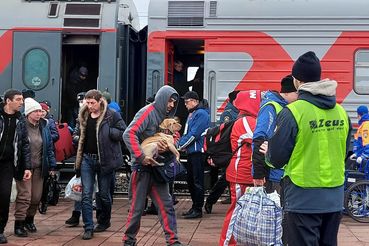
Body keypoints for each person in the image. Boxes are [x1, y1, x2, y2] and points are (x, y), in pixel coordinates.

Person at [265, 51, 352, 246]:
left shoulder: (293, 112)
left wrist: (268, 152)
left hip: (303, 198)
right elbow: (344, 153)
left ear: (297, 81)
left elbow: (276, 158)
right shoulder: (342, 113)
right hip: (334, 198)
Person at [123, 85, 187, 246]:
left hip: (159, 168)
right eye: (170, 101)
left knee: (168, 207)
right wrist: (140, 156)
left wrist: (170, 146)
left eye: (174, 102)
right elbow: (128, 133)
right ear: (162, 99)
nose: (172, 105)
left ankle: (173, 241)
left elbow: (175, 137)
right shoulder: (147, 112)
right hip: (143, 168)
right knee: (137, 209)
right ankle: (128, 240)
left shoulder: (166, 116)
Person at [74, 89, 126, 240]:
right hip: (87, 160)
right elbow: (77, 133)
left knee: (104, 194)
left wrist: (110, 132)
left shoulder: (111, 115)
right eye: (87, 103)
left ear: (99, 101)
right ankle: (88, 226)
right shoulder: (83, 115)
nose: (89, 106)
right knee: (86, 194)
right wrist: (76, 139)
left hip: (105, 159)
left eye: (92, 103)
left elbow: (124, 132)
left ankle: (104, 220)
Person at [219, 90, 262, 246]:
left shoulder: (246, 119)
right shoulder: (247, 121)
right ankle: (227, 243)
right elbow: (260, 139)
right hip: (242, 173)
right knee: (236, 212)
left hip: (243, 172)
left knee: (240, 211)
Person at [13, 98, 56, 237]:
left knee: (36, 197)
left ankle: (29, 220)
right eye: (36, 111)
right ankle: (18, 223)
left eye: (40, 111)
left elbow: (49, 147)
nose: (39, 114)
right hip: (24, 167)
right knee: (25, 196)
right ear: (29, 113)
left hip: (39, 167)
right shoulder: (20, 126)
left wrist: (51, 165)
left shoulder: (44, 126)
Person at [252, 75, 298, 193]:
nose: (298, 98)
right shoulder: (271, 107)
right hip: (271, 174)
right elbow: (259, 139)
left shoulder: (284, 107)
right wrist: (258, 173)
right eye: (297, 93)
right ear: (287, 92)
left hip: (281, 172)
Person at [0, 89, 32, 244]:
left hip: (7, 164)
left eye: (22, 100)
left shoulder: (21, 121)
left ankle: (0, 230)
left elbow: (25, 145)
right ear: (8, 101)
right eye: (18, 99)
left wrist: (26, 167)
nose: (22, 102)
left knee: (4, 196)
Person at [204, 90, 240, 214]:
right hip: (230, 151)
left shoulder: (241, 112)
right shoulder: (228, 114)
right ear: (234, 100)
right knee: (225, 178)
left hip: (238, 149)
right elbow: (226, 133)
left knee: (229, 177)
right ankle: (210, 200)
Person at [179, 91, 210, 219]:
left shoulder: (200, 114)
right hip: (192, 151)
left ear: (195, 102)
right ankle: (195, 207)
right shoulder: (193, 113)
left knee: (197, 181)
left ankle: (197, 209)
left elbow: (194, 134)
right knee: (191, 180)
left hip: (197, 151)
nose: (185, 104)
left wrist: (181, 146)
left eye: (187, 102)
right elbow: (188, 133)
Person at [65, 92, 86, 227]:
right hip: (83, 156)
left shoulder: (106, 116)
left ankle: (102, 215)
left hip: (100, 158)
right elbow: (75, 136)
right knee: (81, 185)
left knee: (100, 189)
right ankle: (76, 213)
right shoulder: (80, 118)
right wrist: (83, 139)